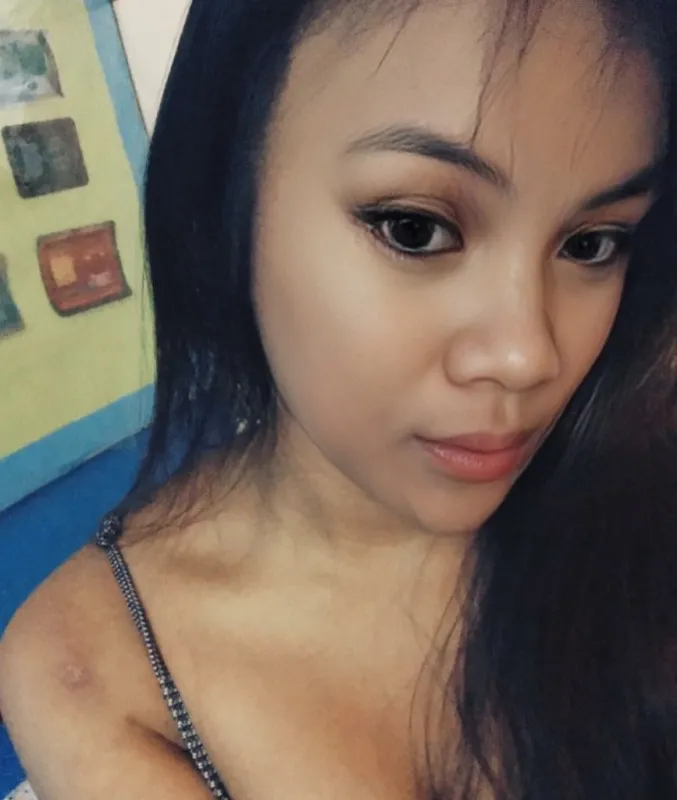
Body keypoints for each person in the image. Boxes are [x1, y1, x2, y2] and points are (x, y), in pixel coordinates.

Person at [1, 0, 677, 797]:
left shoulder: (640, 489)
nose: (528, 357)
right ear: (227, 193)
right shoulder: (95, 666)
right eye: (415, 229)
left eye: (591, 243)